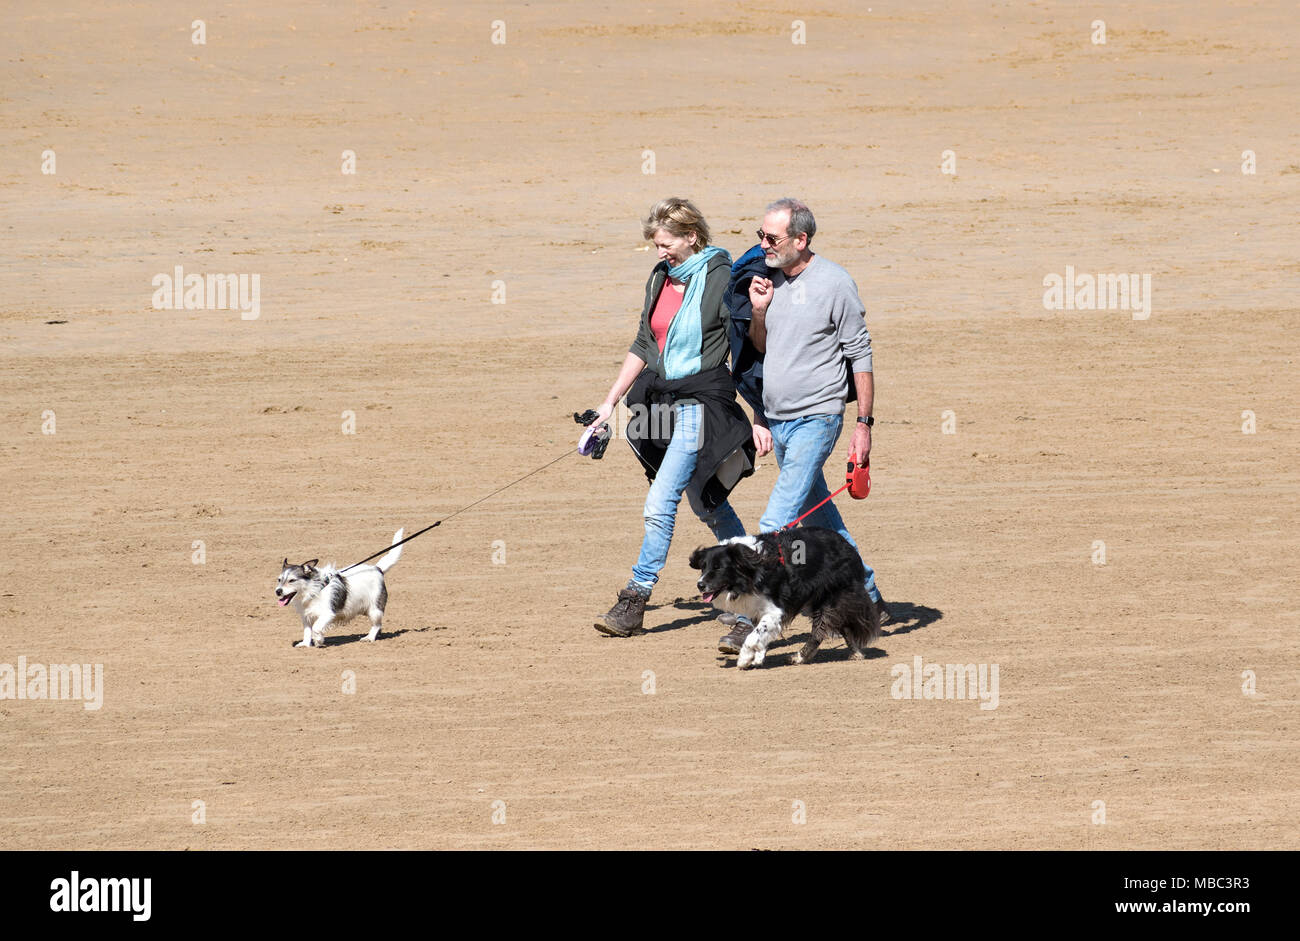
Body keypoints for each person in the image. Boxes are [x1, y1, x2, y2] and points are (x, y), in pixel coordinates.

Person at [717, 197, 890, 655]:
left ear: (801, 239)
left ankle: (745, 620)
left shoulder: (834, 283)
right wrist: (758, 311)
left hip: (819, 417)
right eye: (759, 235)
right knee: (823, 521)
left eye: (772, 238)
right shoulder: (767, 279)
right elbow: (762, 348)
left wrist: (863, 425)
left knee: (775, 524)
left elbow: (861, 355)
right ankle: (869, 597)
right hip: (780, 419)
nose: (763, 245)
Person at [589, 197, 756, 637]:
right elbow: (645, 343)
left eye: (666, 244)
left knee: (661, 499)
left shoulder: (721, 277)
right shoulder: (660, 278)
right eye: (656, 244)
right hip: (662, 399)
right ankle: (751, 578)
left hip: (703, 402)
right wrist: (609, 403)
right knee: (705, 501)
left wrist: (759, 415)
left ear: (691, 237)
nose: (660, 252)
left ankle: (634, 598)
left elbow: (746, 344)